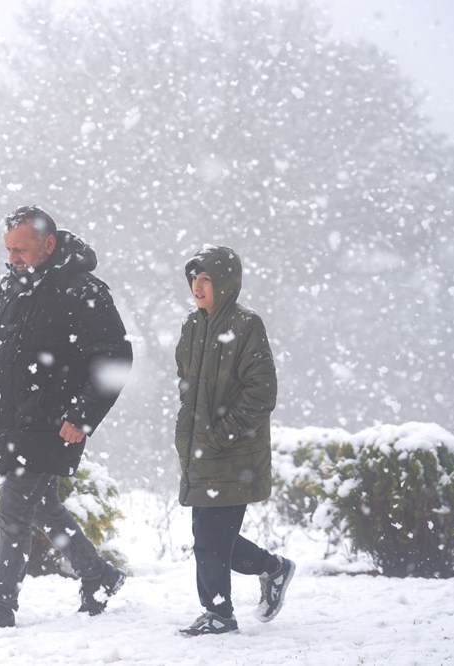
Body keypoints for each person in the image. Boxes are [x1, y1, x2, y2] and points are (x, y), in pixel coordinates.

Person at [0, 205, 134, 628]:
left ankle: (0, 604)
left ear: (49, 244)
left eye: (21, 249)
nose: (13, 258)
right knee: (43, 507)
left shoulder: (81, 290)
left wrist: (82, 414)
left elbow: (114, 357)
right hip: (11, 418)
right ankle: (98, 574)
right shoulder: (12, 286)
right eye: (9, 250)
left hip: (54, 421)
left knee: (14, 511)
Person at [174, 245, 295, 637]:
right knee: (210, 537)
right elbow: (186, 382)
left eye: (206, 277)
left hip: (233, 453)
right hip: (200, 451)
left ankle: (219, 614)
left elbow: (262, 391)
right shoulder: (193, 326)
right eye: (195, 277)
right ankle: (274, 568)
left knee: (210, 538)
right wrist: (191, 430)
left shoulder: (246, 325)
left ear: (225, 283)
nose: (198, 285)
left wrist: (223, 432)